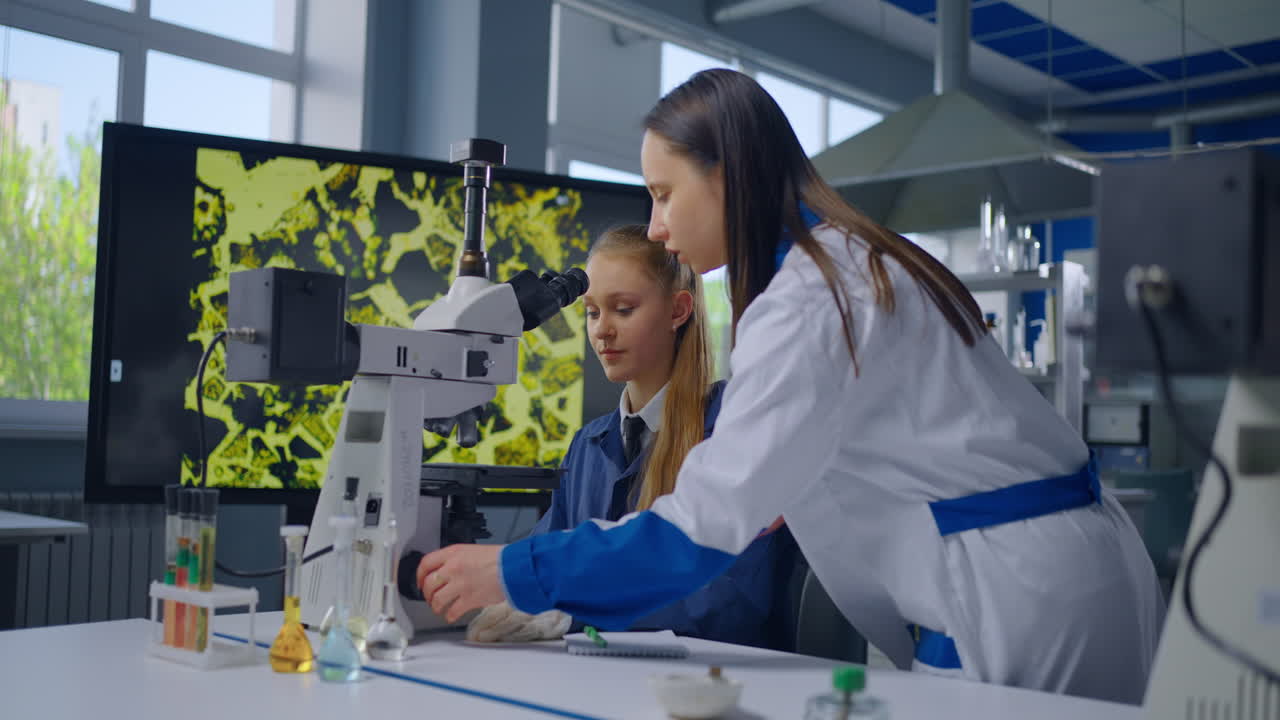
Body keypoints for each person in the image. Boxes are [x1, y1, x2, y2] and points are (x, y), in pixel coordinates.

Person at [417, 69, 1164, 704]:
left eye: (665, 194)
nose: (657, 225)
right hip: (1052, 575)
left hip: (1017, 595)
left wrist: (519, 570)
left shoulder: (809, 297)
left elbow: (698, 533)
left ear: (727, 178)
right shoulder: (846, 260)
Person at [465, 225, 796, 650]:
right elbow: (543, 555)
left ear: (678, 310)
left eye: (623, 309)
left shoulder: (733, 429)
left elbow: (730, 599)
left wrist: (571, 609)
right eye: (592, 312)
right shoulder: (589, 445)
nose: (602, 331)